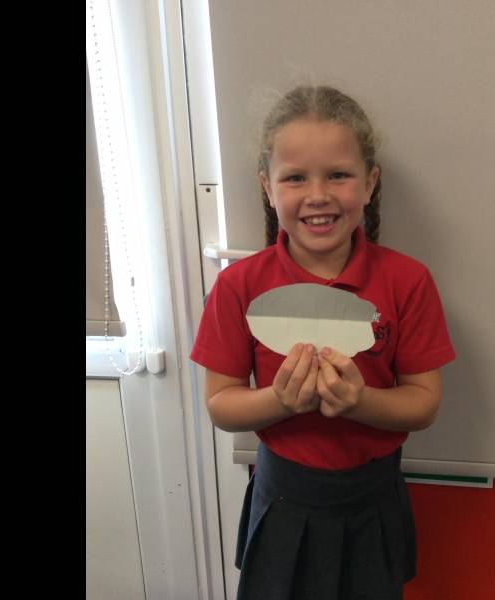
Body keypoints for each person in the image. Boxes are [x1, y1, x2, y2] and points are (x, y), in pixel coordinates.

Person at [190, 85, 456, 600]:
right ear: (268, 188)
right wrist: (280, 400)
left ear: (369, 182)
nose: (318, 195)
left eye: (338, 174)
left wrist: (360, 402)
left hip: (373, 499)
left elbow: (423, 403)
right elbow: (221, 405)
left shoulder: (408, 281)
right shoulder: (238, 286)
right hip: (283, 499)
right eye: (295, 178)